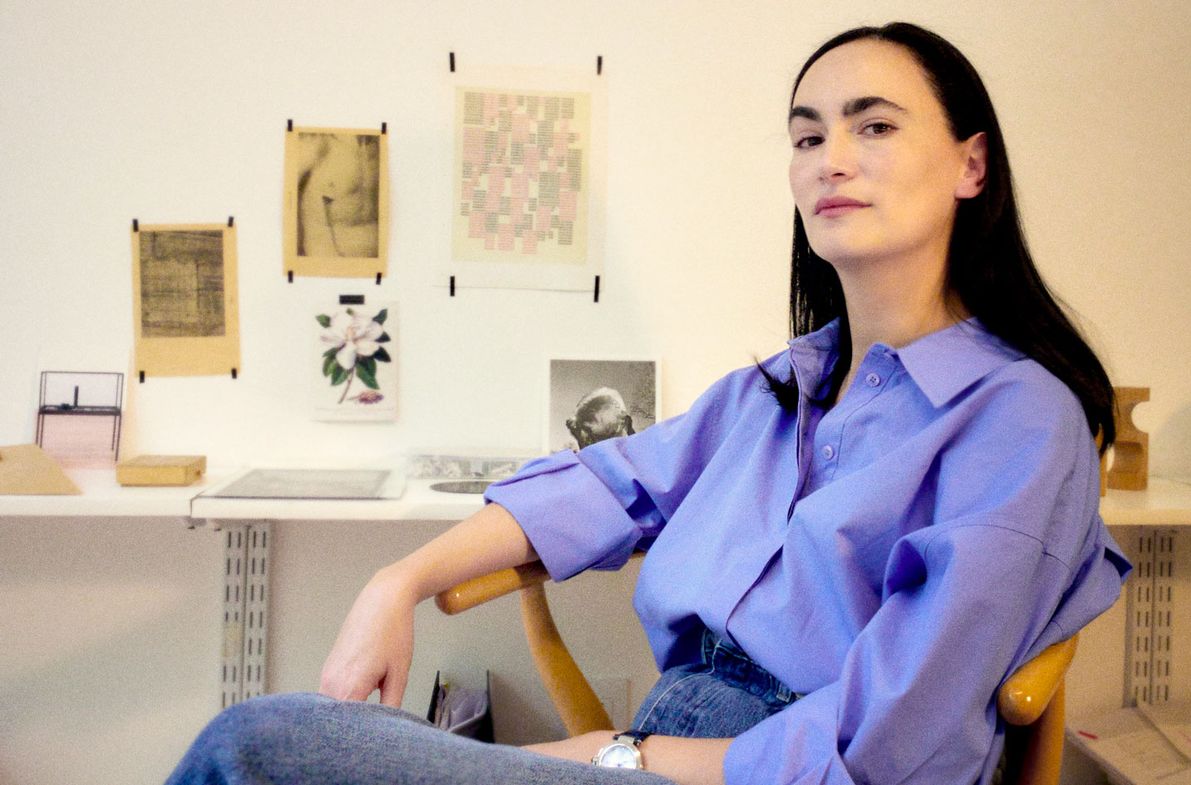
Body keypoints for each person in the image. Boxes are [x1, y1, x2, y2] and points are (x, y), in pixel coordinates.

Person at [168, 22, 1130, 785]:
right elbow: (605, 483)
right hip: (656, 745)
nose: (831, 157)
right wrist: (398, 580)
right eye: (807, 134)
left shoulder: (1018, 419)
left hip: (738, 768)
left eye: (873, 125)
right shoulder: (775, 392)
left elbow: (891, 742)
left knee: (257, 747)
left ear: (971, 165)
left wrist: (611, 757)